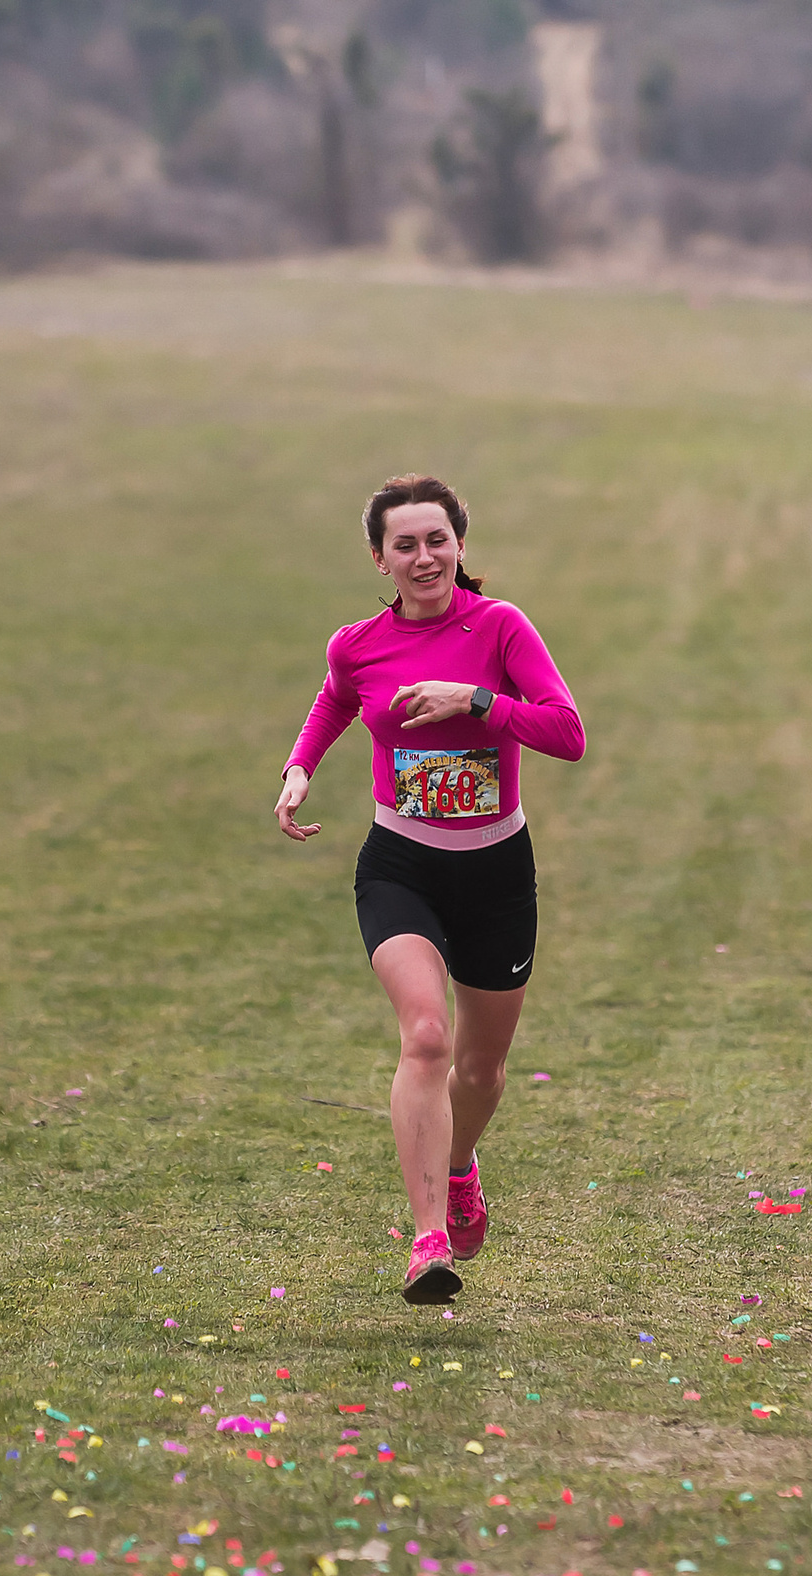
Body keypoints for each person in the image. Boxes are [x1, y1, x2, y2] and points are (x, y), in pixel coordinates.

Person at [275, 474, 584, 1305]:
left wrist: (478, 699)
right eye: (404, 544)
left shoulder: (501, 629)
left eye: (436, 540)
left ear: (459, 546)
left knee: (480, 1071)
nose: (422, 557)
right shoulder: (358, 642)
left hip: (495, 873)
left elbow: (567, 732)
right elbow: (337, 698)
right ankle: (427, 1241)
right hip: (400, 866)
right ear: (379, 556)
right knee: (425, 1036)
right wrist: (301, 767)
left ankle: (459, 1170)